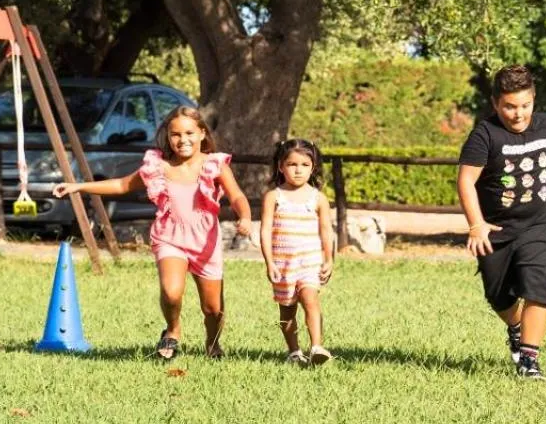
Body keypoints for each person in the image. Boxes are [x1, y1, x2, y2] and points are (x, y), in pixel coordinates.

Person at [53, 106, 252, 360]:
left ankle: (213, 344)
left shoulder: (214, 165)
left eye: (189, 133)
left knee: (213, 308)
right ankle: (173, 330)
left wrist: (244, 216)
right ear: (168, 137)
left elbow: (236, 196)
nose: (183, 140)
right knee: (171, 292)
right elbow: (122, 184)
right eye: (175, 134)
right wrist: (77, 186)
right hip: (169, 237)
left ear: (202, 134)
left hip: (205, 242)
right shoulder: (158, 166)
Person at [457, 65, 546, 380]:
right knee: (498, 295)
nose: (518, 114)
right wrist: (476, 224)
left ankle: (529, 359)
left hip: (542, 225)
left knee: (539, 286)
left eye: (525, 105)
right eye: (510, 106)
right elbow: (466, 180)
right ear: (496, 103)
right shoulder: (484, 134)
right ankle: (515, 326)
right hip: (497, 229)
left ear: (533, 100)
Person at [260, 138, 335, 367]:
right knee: (287, 311)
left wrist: (329, 259)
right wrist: (269, 262)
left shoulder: (318, 198)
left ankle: (316, 347)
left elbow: (326, 230)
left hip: (309, 262)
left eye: (304, 164)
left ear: (313, 167)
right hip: (283, 264)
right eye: (292, 164)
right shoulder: (274, 197)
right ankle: (294, 351)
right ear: (281, 166)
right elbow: (264, 230)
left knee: (310, 299)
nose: (298, 170)